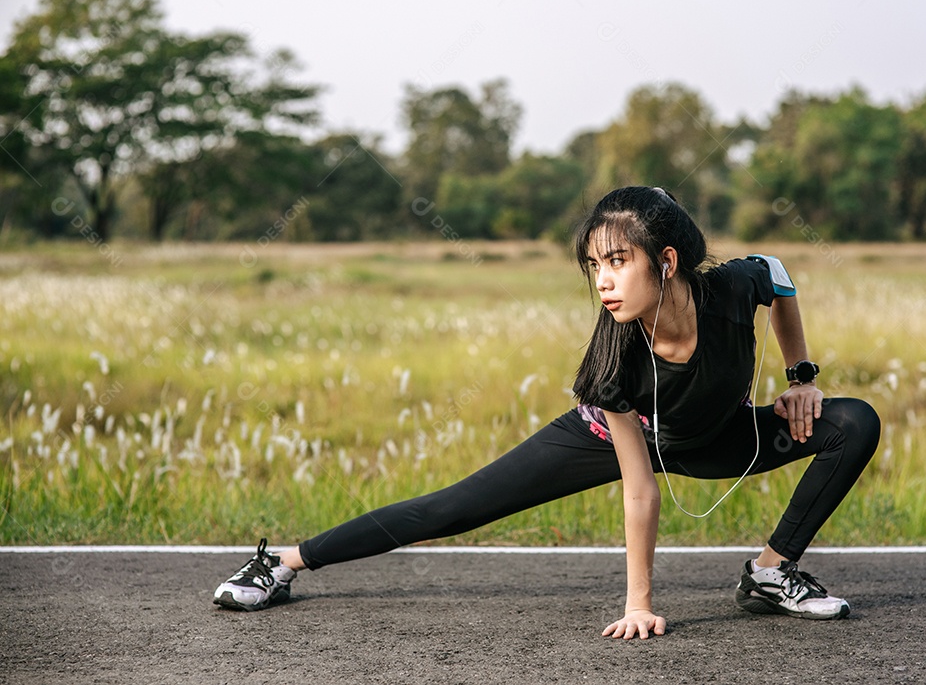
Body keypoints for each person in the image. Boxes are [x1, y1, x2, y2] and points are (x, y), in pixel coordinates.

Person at [213, 186, 879, 639]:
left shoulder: (734, 288)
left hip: (721, 435)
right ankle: (285, 562)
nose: (604, 281)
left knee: (854, 423)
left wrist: (801, 377)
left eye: (618, 261)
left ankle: (769, 572)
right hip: (623, 440)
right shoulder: (616, 353)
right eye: (594, 265)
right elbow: (640, 486)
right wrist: (639, 602)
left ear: (667, 260)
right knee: (452, 507)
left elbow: (781, 275)